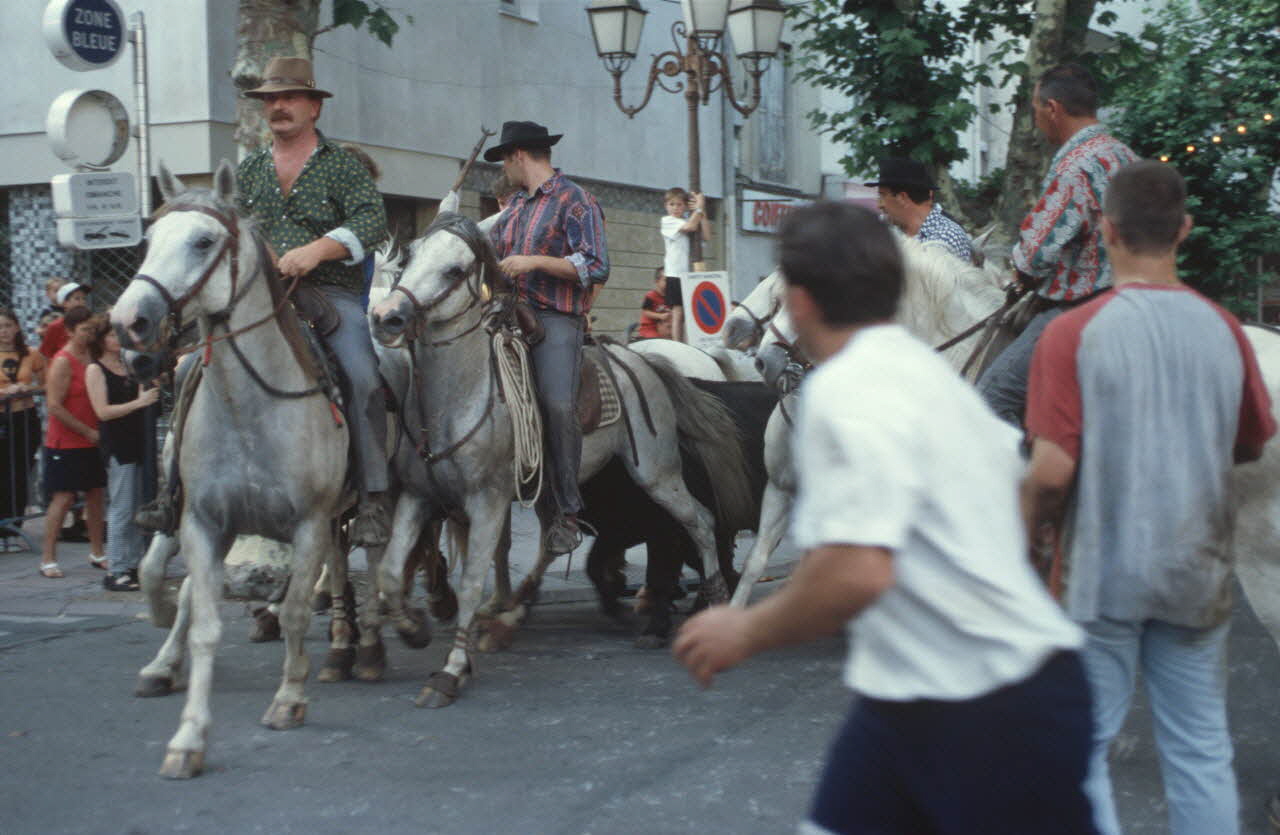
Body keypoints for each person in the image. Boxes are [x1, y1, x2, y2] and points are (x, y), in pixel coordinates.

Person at [674, 201, 1095, 835]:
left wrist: (746, 630)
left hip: (980, 700)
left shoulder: (843, 391)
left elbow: (856, 574)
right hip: (934, 689)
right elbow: (1013, 510)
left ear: (801, 299)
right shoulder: (933, 377)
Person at [1022, 161, 1276, 835]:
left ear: (1105, 229)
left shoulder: (1070, 334)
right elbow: (1251, 443)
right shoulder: (1225, 328)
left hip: (1101, 577)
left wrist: (1030, 536)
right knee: (1199, 753)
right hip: (1196, 572)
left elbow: (1050, 472)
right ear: (1184, 230)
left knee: (1080, 751)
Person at [237, 56, 390, 546]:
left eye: (288, 98)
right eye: (270, 100)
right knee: (192, 367)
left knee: (364, 377)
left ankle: (372, 497)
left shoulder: (343, 165)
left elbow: (372, 223)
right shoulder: (251, 169)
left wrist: (315, 250)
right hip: (262, 295)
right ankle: (177, 492)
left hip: (330, 294)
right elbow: (235, 230)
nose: (278, 106)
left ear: (313, 108)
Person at [978, 63, 1138, 426]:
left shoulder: (1074, 166)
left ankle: (1028, 482)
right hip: (1132, 299)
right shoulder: (1124, 156)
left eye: (1035, 109)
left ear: (1053, 108)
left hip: (1078, 309)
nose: (1036, 119)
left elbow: (1033, 257)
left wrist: (1019, 266)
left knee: (990, 400)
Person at [485, 120, 609, 554]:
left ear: (519, 155)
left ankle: (566, 511)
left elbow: (596, 266)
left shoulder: (576, 201)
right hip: (507, 315)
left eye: (504, 157)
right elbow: (493, 253)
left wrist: (533, 262)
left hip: (555, 318)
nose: (504, 167)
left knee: (557, 403)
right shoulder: (515, 206)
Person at [86, 317, 159, 591]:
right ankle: (116, 568)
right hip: (118, 445)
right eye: (113, 336)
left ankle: (131, 563)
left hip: (139, 441)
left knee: (138, 506)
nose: (118, 340)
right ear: (102, 339)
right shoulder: (96, 369)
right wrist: (139, 402)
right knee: (121, 508)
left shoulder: (128, 365)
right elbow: (102, 411)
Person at [39, 306, 106, 578]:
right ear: (69, 331)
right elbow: (54, 405)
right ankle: (48, 559)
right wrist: (86, 431)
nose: (89, 335)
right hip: (65, 441)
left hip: (92, 439)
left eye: (92, 330)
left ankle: (97, 552)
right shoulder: (63, 360)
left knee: (96, 495)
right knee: (64, 498)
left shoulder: (92, 354)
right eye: (83, 331)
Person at [867, 157, 972, 262]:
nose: (879, 205)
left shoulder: (946, 238)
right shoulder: (888, 229)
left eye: (882, 195)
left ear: (902, 198)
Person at [0, 308, 43, 548]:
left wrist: (27, 390)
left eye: (7, 325)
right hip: (1, 418)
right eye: (0, 327)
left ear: (16, 328)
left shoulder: (31, 354)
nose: (3, 331)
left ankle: (14, 527)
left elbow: (46, 384)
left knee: (20, 470)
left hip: (24, 417)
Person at [660, 187, 710, 343]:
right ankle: (677, 342)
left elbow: (707, 236)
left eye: (679, 205)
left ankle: (690, 340)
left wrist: (702, 212)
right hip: (675, 272)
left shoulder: (690, 218)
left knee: (691, 311)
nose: (675, 208)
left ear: (686, 206)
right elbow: (690, 227)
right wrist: (699, 208)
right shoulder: (668, 221)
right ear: (666, 206)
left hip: (691, 273)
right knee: (678, 311)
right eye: (672, 204)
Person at [39, 282, 91, 360]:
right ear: (65, 303)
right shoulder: (55, 326)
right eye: (77, 298)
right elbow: (45, 355)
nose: (82, 302)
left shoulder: (91, 323)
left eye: (84, 298)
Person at [635, 267, 671, 340]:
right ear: (657, 281)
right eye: (666, 280)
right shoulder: (651, 296)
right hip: (649, 328)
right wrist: (660, 316)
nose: (669, 283)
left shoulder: (670, 297)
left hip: (664, 328)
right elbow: (645, 312)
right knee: (656, 340)